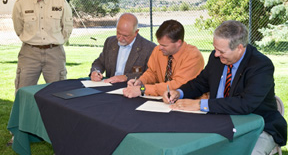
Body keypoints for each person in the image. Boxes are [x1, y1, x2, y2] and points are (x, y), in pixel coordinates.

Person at [163, 20, 287, 154]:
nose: (216, 54)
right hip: (219, 121)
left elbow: (245, 104)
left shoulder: (260, 66)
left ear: (240, 48)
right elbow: (200, 82)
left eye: (221, 51)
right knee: (189, 145)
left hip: (259, 127)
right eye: (215, 48)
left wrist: (200, 104)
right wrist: (179, 92)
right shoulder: (217, 58)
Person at [12, 0, 73, 92]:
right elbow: (19, 28)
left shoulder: (60, 2)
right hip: (29, 53)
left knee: (59, 93)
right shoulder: (21, 3)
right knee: (22, 92)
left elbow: (67, 28)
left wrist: (55, 41)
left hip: (54, 53)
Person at [123, 19, 205, 97]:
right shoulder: (158, 51)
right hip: (163, 100)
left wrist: (143, 89)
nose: (160, 48)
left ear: (178, 43)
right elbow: (152, 73)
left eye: (164, 45)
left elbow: (177, 86)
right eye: (159, 44)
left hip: (187, 102)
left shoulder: (193, 56)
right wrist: (141, 81)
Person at [89, 13, 156, 83]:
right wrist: (95, 71)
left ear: (136, 32)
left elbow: (151, 75)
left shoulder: (149, 48)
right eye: (118, 33)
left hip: (132, 88)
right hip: (109, 86)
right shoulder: (110, 42)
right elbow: (100, 62)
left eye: (125, 36)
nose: (120, 38)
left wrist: (126, 77)